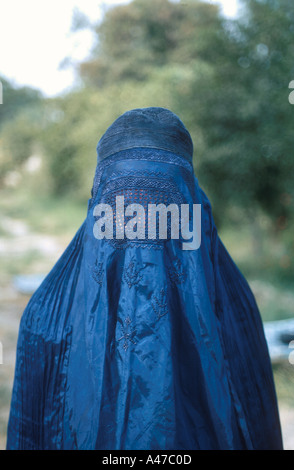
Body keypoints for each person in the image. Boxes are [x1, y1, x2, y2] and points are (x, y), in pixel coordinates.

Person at [6, 107, 283, 450]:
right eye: (124, 209)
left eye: (165, 209)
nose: (142, 229)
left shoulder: (237, 317)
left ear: (194, 205)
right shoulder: (44, 323)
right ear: (97, 207)